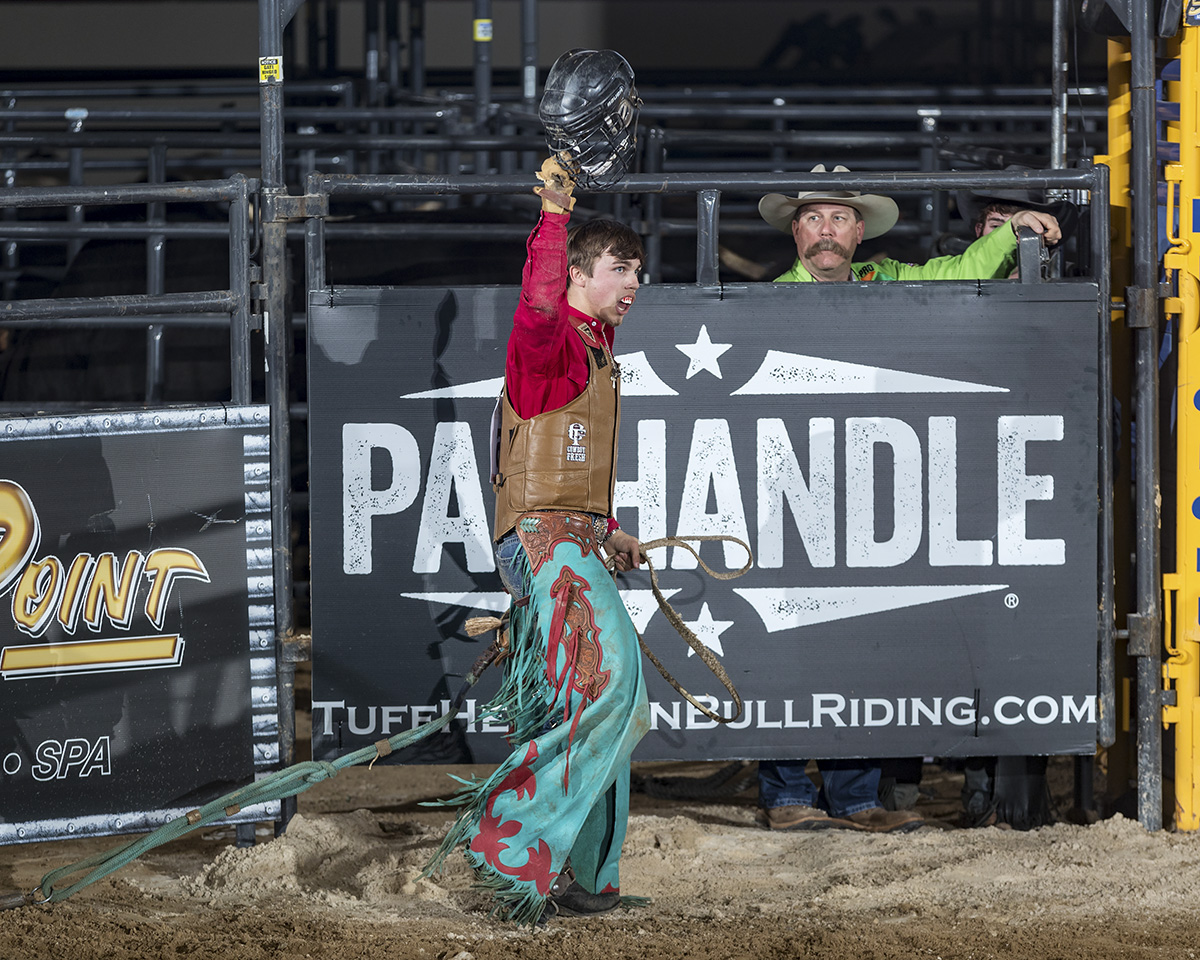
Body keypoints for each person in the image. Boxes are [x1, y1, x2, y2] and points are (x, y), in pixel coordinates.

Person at [753, 164, 1063, 834]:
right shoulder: (766, 305)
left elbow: (957, 276)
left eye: (838, 218)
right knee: (786, 640)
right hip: (795, 489)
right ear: (796, 232)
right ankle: (785, 792)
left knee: (862, 636)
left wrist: (1009, 232)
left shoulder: (883, 280)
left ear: (858, 231)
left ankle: (856, 797)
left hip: (865, 489)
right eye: (813, 218)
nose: (826, 230)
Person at [423, 157, 651, 925]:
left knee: (607, 706)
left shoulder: (591, 355)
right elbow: (538, 304)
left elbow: (558, 464)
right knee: (611, 690)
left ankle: (578, 876)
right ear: (581, 276)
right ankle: (510, 848)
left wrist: (608, 532)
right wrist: (554, 218)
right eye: (620, 267)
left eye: (637, 271)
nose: (633, 283)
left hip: (572, 545)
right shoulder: (551, 343)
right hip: (550, 548)